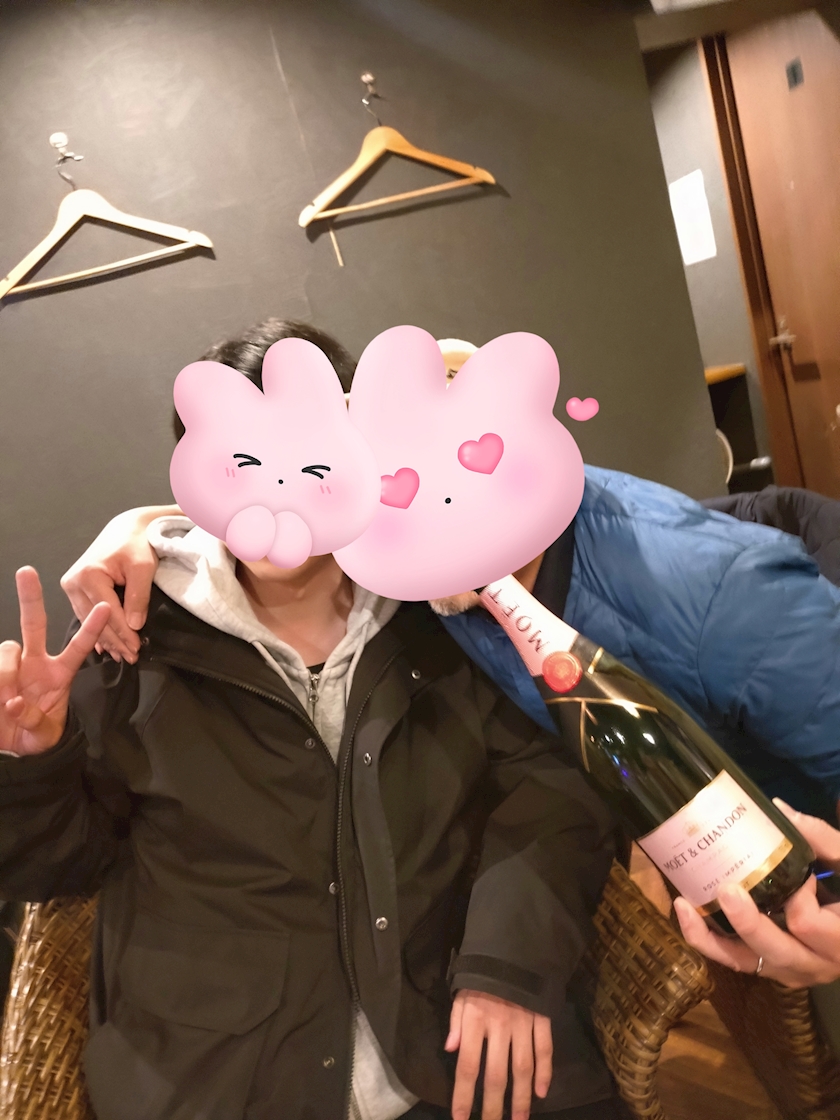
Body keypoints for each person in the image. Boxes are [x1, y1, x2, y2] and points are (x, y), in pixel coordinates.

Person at [1, 320, 625, 1120]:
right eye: (241, 460)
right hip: (222, 1078)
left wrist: (508, 963)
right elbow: (61, 869)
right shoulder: (130, 634)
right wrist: (34, 763)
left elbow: (553, 782)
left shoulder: (439, 605)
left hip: (457, 1057)